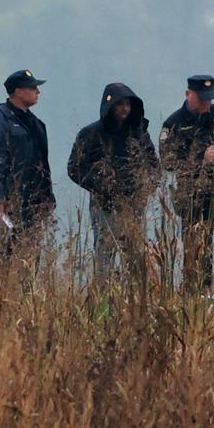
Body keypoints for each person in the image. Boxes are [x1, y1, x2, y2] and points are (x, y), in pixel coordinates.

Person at [158, 74, 214, 292]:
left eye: (210, 99)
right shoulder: (173, 124)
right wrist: (201, 159)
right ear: (188, 95)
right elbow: (168, 161)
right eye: (202, 99)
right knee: (197, 256)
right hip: (194, 200)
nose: (207, 104)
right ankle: (197, 301)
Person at [67, 82, 159, 285]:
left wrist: (147, 187)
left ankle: (135, 304)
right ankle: (102, 306)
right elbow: (75, 168)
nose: (125, 109)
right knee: (104, 255)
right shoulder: (90, 133)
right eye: (120, 104)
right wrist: (100, 186)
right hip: (104, 206)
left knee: (135, 257)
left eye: (128, 104)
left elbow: (154, 165)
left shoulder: (139, 132)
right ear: (109, 106)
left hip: (134, 205)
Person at [0, 69, 55, 260]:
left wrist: (47, 198)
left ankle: (26, 290)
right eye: (32, 87)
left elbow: (42, 164)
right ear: (18, 92)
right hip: (10, 204)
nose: (38, 91)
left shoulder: (35, 124)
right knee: (10, 254)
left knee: (31, 256)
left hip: (34, 203)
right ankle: (3, 289)